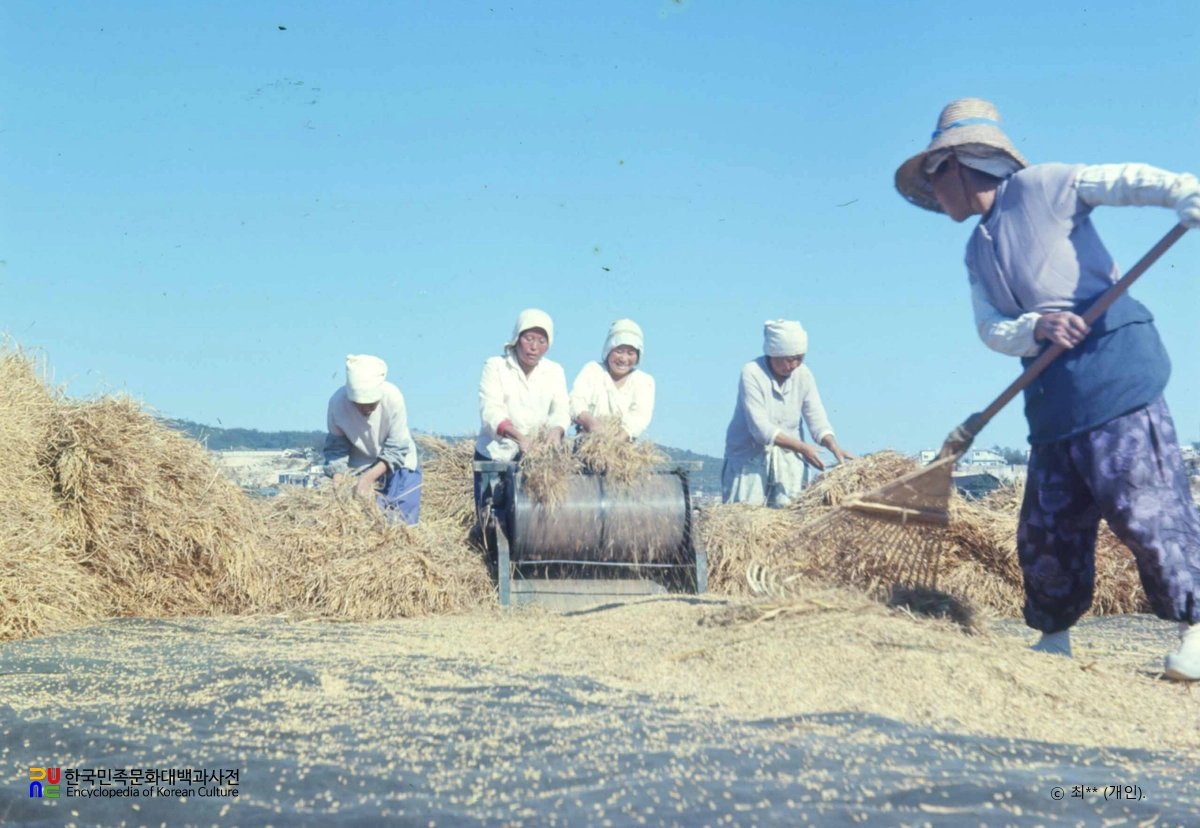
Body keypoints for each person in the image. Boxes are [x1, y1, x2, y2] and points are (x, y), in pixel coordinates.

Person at [895, 97, 1200, 679]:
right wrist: (1037, 326)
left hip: (1114, 370)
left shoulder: (1041, 186)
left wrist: (1183, 192)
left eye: (934, 177)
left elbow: (1121, 180)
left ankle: (1198, 628)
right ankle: (1054, 636)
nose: (933, 193)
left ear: (956, 165)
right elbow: (991, 328)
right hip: (1053, 394)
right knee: (1048, 523)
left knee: (1144, 505)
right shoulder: (976, 249)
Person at [722, 319, 854, 508]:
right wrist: (802, 447)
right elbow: (760, 429)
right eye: (789, 359)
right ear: (773, 354)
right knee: (746, 512)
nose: (794, 365)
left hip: (788, 458)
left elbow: (817, 418)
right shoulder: (752, 372)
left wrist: (833, 446)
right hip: (749, 458)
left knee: (790, 511)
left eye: (799, 358)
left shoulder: (803, 375)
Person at [475, 308, 570, 507]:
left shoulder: (554, 371)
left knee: (536, 516)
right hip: (496, 457)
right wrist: (520, 438)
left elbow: (561, 410)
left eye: (541, 341)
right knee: (492, 517)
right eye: (529, 339)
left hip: (538, 461)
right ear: (517, 338)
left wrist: (556, 431)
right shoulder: (496, 366)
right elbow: (491, 411)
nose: (534, 347)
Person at [323, 354, 422, 525]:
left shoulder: (393, 397)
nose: (365, 409)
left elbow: (397, 448)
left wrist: (368, 478)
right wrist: (338, 483)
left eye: (371, 404)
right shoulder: (337, 403)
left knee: (402, 522)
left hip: (399, 463)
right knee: (366, 521)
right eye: (359, 404)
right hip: (360, 464)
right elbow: (336, 449)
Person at [569, 318, 655, 440]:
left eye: (630, 353)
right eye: (619, 351)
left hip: (623, 445)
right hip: (586, 440)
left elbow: (639, 417)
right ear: (608, 350)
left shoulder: (644, 381)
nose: (623, 359)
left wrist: (617, 440)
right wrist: (591, 423)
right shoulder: (592, 370)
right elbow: (575, 402)